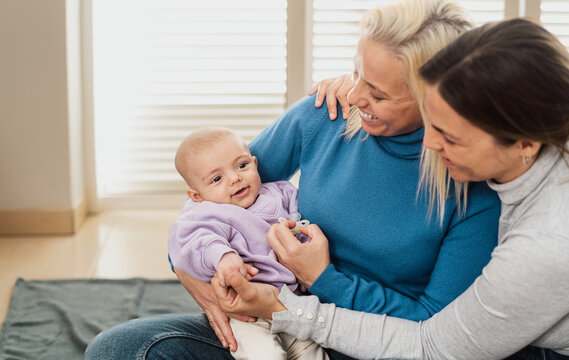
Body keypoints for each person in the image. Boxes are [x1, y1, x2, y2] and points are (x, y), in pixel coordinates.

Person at [84, 1, 501, 359]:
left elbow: (435, 328)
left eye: (377, 92)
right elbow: (215, 187)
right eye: (356, 74)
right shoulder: (325, 114)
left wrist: (325, 280)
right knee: (117, 350)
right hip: (273, 320)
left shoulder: (472, 182)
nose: (355, 96)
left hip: (382, 343)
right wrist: (192, 270)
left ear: (437, 96)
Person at [211, 18, 569, 360]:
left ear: (525, 144)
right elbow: (208, 194)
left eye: (450, 136)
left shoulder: (544, 243)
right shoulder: (518, 147)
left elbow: (431, 345)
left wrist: (286, 307)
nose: (427, 143)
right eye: (430, 121)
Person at [168, 127, 327, 360]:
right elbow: (197, 240)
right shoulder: (210, 213)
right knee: (264, 355)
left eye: (242, 165)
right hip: (246, 312)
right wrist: (223, 257)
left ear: (254, 162)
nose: (235, 178)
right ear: (196, 196)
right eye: (217, 178)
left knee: (311, 352)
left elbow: (303, 221)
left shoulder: (281, 193)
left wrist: (302, 245)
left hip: (294, 304)